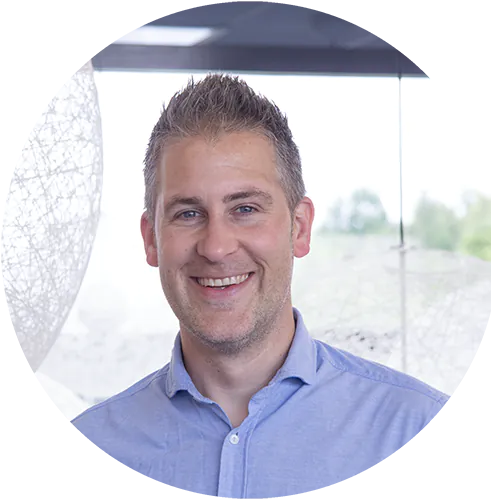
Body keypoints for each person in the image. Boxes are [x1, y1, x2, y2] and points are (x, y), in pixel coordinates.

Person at [71, 73, 450, 498]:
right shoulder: (80, 460)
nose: (216, 247)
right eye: (188, 214)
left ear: (299, 228)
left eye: (245, 209)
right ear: (151, 239)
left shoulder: (426, 439)